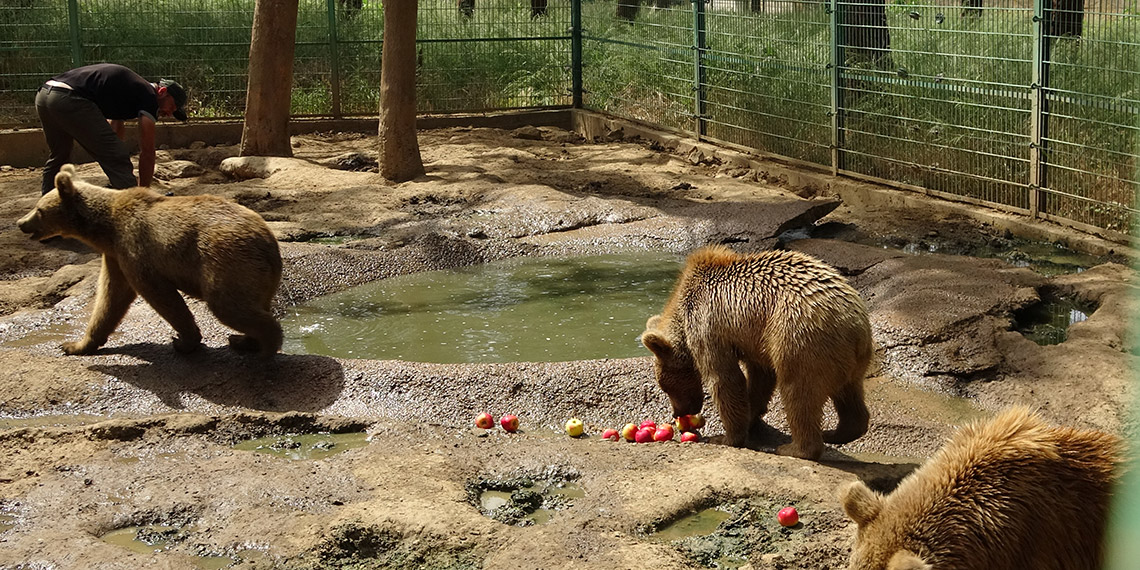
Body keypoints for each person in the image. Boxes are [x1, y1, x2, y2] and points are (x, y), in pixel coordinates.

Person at [35, 63, 188, 195]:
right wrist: (144, 194)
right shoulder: (149, 97)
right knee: (119, 157)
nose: (169, 114)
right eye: (172, 107)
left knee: (59, 155)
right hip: (69, 99)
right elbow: (147, 151)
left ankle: (47, 210)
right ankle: (135, 206)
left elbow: (114, 130)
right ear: (162, 92)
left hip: (45, 95)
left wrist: (114, 162)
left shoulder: (132, 89)